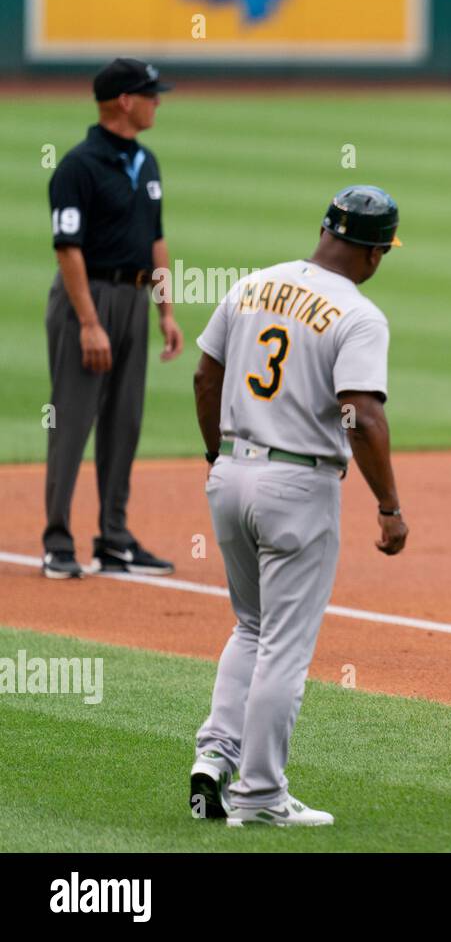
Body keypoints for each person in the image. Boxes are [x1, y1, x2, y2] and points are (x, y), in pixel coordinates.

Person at [189, 186, 409, 827]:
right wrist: (389, 506)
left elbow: (205, 377)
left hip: (230, 472)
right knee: (283, 644)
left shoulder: (253, 285)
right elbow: (362, 417)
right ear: (372, 253)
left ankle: (213, 760)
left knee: (251, 628)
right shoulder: (358, 313)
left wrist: (216, 458)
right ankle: (259, 798)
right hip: (298, 486)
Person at [43, 57, 184, 579]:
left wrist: (166, 309)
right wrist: (87, 322)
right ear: (125, 100)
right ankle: (57, 542)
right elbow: (68, 248)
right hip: (88, 298)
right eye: (151, 94)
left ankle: (114, 539)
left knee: (124, 422)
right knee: (72, 421)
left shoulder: (147, 164)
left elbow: (157, 240)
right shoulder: (77, 166)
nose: (158, 102)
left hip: (134, 298)